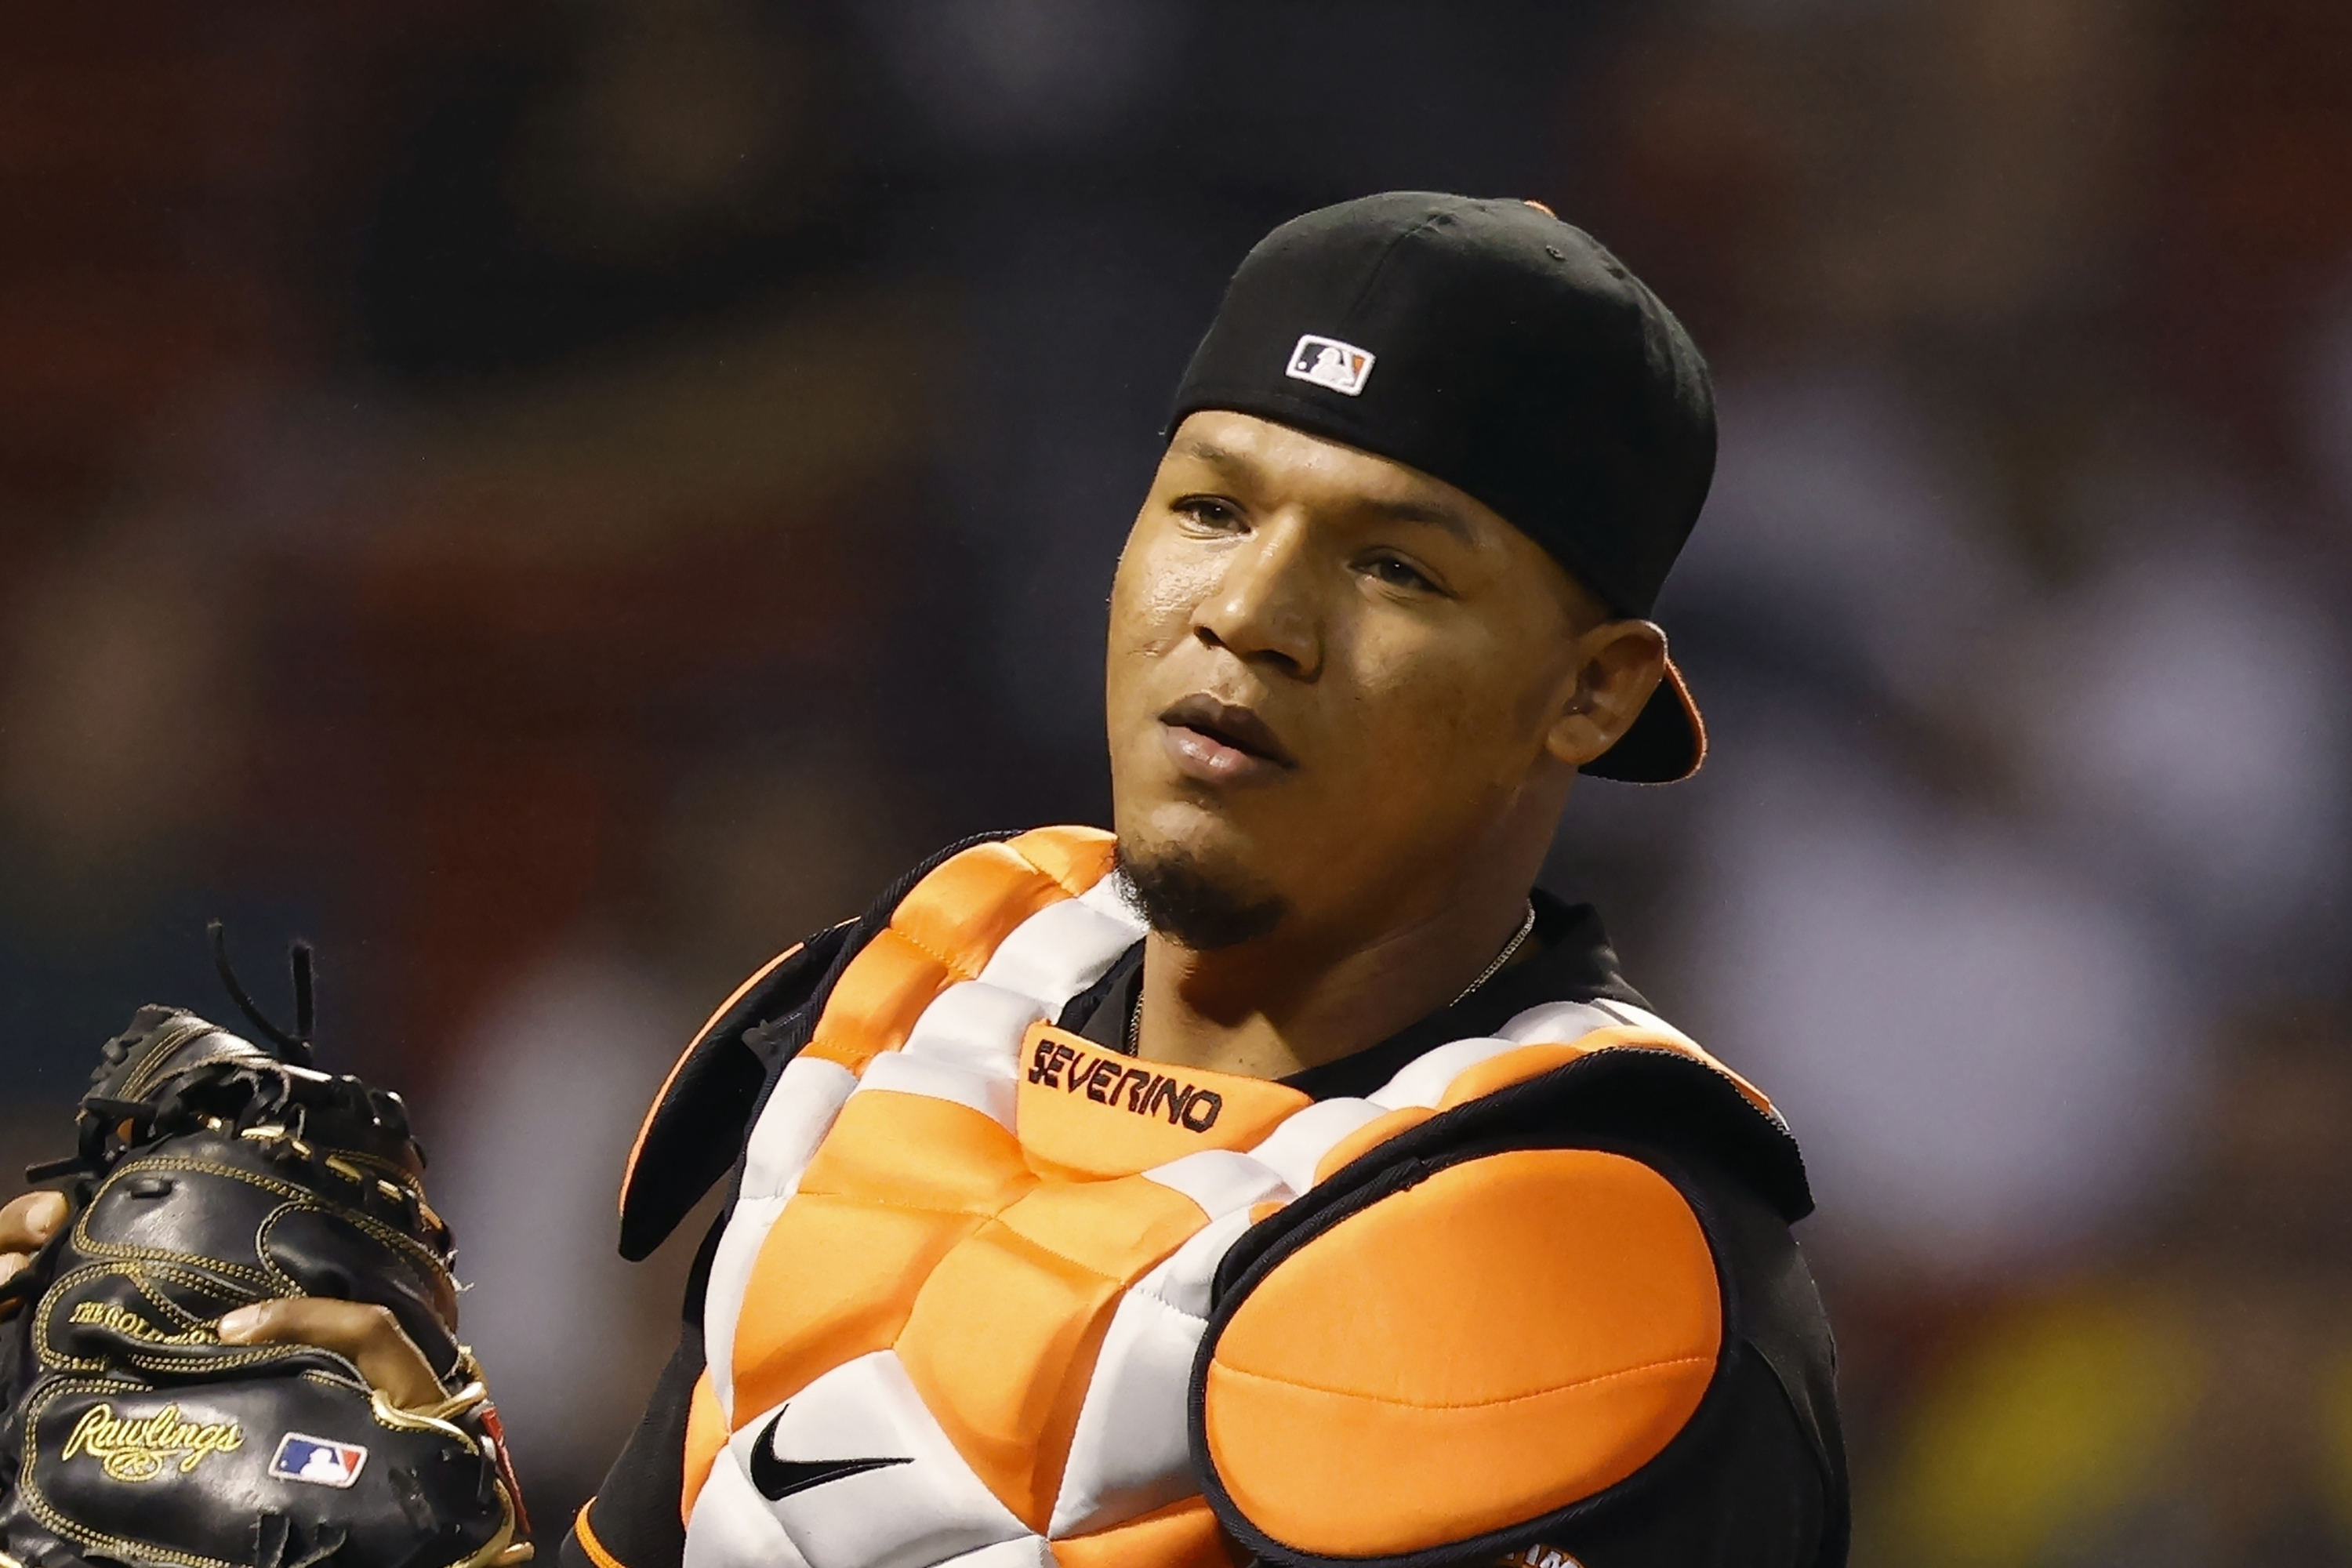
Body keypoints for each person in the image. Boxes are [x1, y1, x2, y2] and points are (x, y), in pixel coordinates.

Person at [2, 193, 1846, 1567]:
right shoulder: (928, 996)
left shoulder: (1595, 1245)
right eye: (1212, 505)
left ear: (1591, 693)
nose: (1252, 613)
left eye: (1399, 569)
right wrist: (406, 1490)